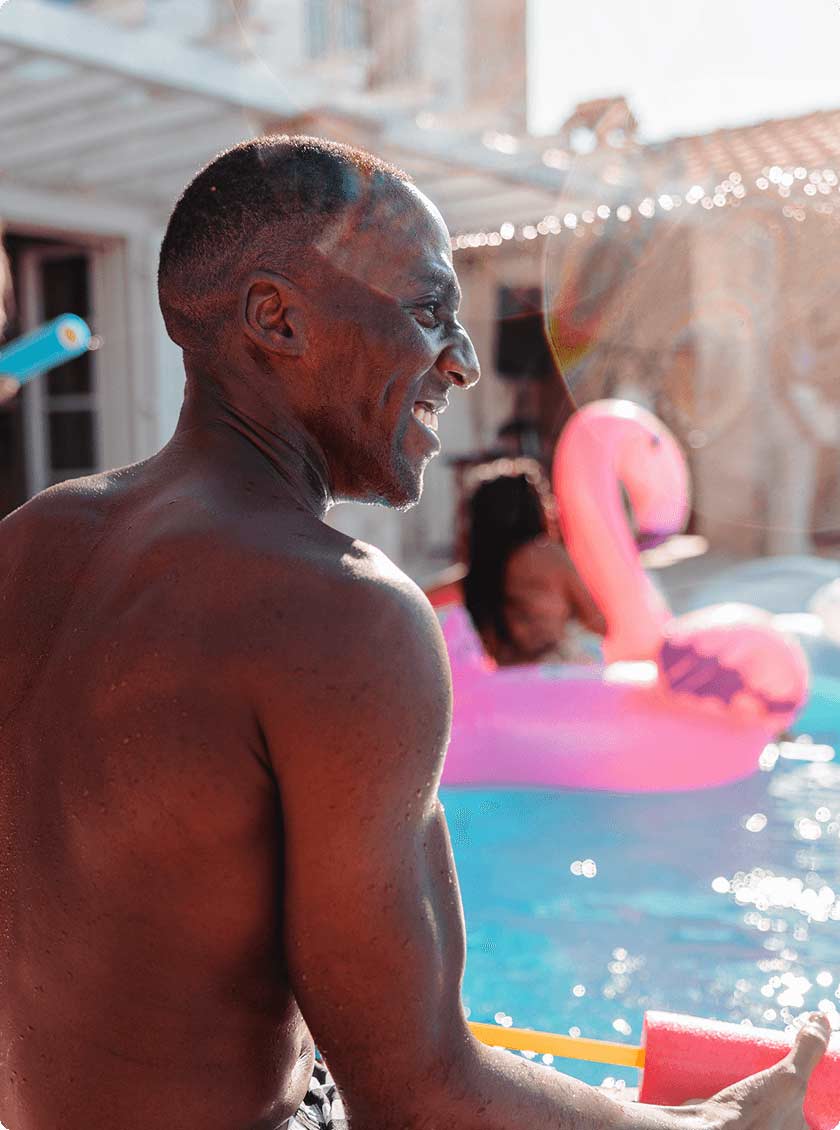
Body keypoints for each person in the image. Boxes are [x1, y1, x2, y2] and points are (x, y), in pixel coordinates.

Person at [0, 135, 828, 1130]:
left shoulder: (31, 540)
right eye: (430, 311)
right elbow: (418, 1097)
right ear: (277, 318)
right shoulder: (343, 616)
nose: (467, 360)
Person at [460, 458, 605, 665]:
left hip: (503, 681)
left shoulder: (474, 574)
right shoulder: (547, 556)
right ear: (534, 508)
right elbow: (599, 623)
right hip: (550, 673)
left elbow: (420, 596)